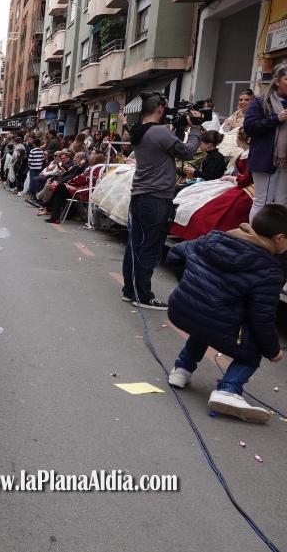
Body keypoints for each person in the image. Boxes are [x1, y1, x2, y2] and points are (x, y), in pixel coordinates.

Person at [165, 204, 287, 422]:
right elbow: (262, 318)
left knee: (207, 324)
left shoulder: (214, 239)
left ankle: (181, 370)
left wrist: (191, 286)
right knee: (253, 349)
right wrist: (272, 350)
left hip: (182, 311)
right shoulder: (270, 270)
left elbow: (175, 254)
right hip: (215, 321)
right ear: (279, 238)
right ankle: (229, 390)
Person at [122, 92, 203, 310]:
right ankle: (143, 295)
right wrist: (195, 129)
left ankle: (130, 290)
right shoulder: (158, 132)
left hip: (139, 195)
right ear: (160, 108)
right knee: (150, 247)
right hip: (156, 197)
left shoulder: (139, 131)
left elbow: (166, 147)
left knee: (135, 244)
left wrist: (177, 129)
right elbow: (187, 152)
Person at [244, 63, 287, 222]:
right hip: (265, 158)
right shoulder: (261, 102)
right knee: (263, 201)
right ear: (277, 81)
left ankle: (276, 239)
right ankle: (257, 239)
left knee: (283, 203)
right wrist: (277, 118)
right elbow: (250, 127)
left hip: (285, 161)